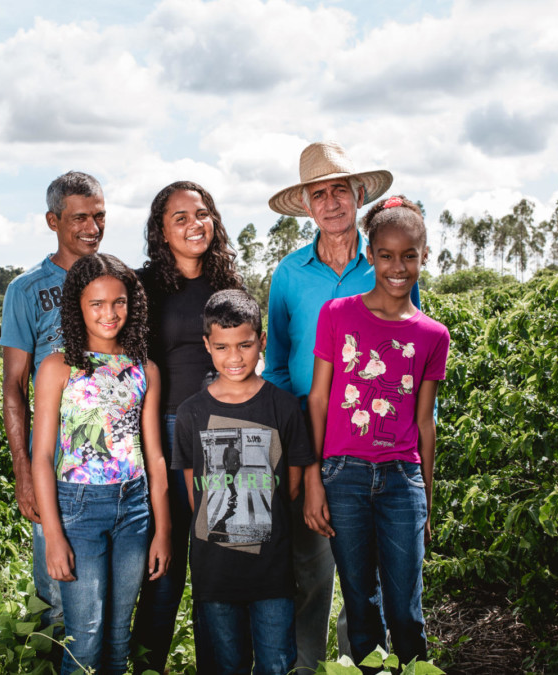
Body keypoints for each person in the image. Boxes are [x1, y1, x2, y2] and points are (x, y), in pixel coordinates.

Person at [265, 141, 420, 669]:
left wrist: (416, 460)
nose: (330, 203)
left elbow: (412, 361)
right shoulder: (289, 275)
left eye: (339, 191)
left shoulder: (385, 262)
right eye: (318, 194)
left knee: (370, 586)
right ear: (307, 206)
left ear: (357, 196)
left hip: (380, 454)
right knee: (311, 577)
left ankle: (367, 667)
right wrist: (299, 453)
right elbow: (279, 368)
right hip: (315, 447)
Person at [305, 196, 449, 668]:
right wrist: (313, 480)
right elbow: (320, 399)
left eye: (409, 255)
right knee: (360, 604)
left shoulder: (433, 335)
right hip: (343, 476)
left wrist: (425, 496)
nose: (397, 266)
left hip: (401, 479)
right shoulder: (338, 314)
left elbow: (424, 421)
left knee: (405, 609)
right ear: (370, 255)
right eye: (386, 254)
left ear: (424, 256)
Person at [30, 253, 172, 675]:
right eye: (97, 304)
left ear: (133, 304)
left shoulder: (144, 369)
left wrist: (162, 531)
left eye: (119, 302)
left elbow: (155, 455)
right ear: (77, 306)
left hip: (134, 510)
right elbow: (41, 458)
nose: (110, 313)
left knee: (118, 637)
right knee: (85, 639)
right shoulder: (58, 367)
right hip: (77, 509)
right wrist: (53, 537)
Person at [173, 290, 314, 675]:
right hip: (214, 575)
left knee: (276, 663)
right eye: (221, 346)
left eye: (245, 345)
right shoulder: (190, 413)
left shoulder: (283, 407)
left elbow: (294, 487)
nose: (234, 357)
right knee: (224, 665)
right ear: (207, 345)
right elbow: (194, 494)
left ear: (262, 341)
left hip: (272, 575)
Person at [133, 181, 243, 673]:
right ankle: (147, 665)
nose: (194, 223)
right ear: (161, 231)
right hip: (168, 428)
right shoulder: (142, 286)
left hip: (225, 432)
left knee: (221, 567)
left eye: (202, 213)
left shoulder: (229, 287)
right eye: (179, 217)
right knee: (166, 566)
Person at [0, 171, 107, 631]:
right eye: (79, 217)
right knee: (59, 604)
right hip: (55, 467)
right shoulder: (25, 291)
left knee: (111, 604)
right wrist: (23, 472)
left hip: (116, 466)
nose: (92, 227)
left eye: (99, 216)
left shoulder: (116, 280)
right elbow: (13, 389)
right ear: (53, 220)